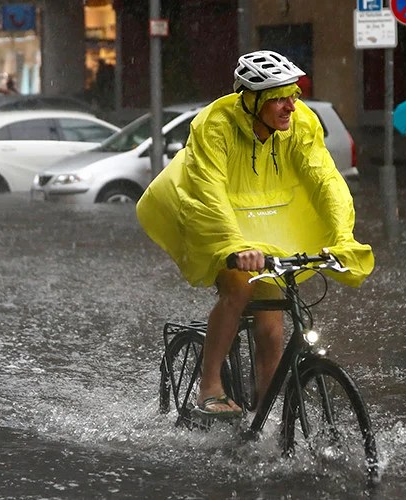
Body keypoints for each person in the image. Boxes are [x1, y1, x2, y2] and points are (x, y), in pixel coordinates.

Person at [136, 50, 374, 418]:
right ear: (251, 99)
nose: (290, 106)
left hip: (258, 218)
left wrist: (343, 237)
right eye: (279, 98)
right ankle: (209, 386)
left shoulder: (300, 123)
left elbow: (325, 180)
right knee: (240, 287)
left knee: (272, 319)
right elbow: (209, 190)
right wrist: (234, 246)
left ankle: (264, 415)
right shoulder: (214, 124)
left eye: (292, 95)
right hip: (198, 207)